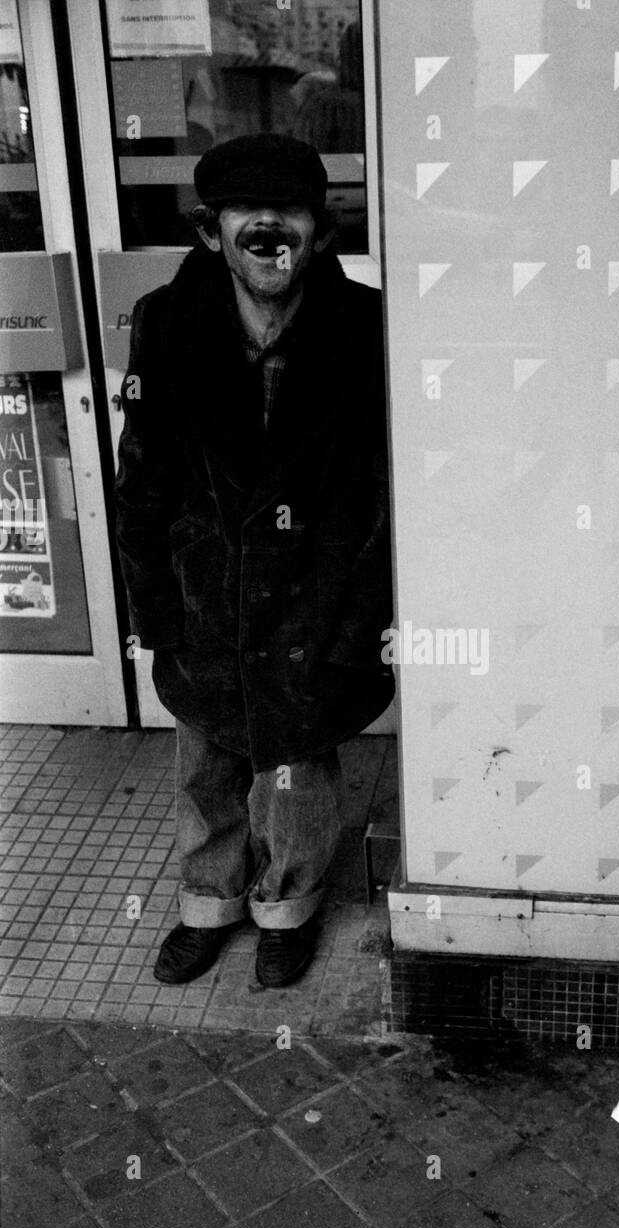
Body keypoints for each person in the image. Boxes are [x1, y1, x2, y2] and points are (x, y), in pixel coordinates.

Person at [114, 134, 394, 989]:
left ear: (320, 229)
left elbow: (385, 488)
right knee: (204, 763)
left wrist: (362, 623)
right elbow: (143, 481)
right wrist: (155, 609)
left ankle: (287, 907)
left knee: (297, 773)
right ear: (212, 231)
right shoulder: (166, 323)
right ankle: (209, 900)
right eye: (247, 211)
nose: (271, 226)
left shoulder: (366, 327)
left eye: (293, 210)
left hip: (317, 602)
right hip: (207, 598)